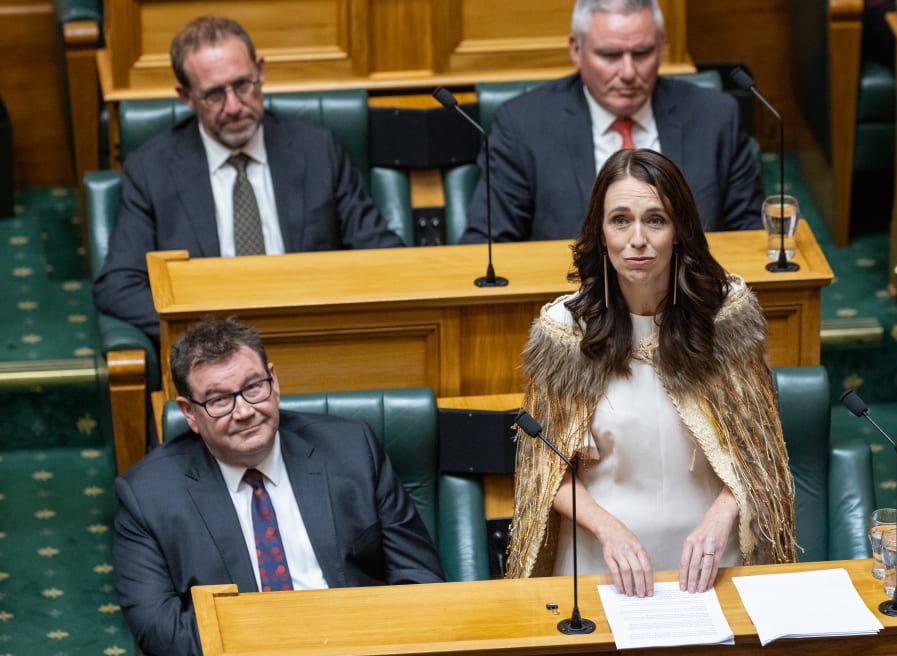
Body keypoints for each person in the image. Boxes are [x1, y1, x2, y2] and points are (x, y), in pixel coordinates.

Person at [506, 149, 796, 597]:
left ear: (679, 231)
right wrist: (608, 530)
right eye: (620, 220)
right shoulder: (565, 331)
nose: (636, 239)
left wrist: (722, 517)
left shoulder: (724, 317)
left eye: (655, 220)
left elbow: (761, 454)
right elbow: (545, 470)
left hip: (713, 562)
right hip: (601, 561)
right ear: (601, 234)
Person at [112, 316, 443, 656]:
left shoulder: (352, 449)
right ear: (190, 413)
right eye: (219, 401)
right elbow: (160, 633)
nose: (244, 411)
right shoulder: (147, 495)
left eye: (254, 387)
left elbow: (419, 578)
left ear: (274, 380)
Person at [93, 16, 403, 346]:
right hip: (212, 359)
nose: (234, 107)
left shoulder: (316, 150)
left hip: (313, 338)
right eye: (214, 95)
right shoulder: (151, 169)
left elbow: (384, 257)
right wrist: (211, 339)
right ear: (186, 96)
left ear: (261, 71)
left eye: (243, 85)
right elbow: (119, 285)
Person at [460, 0, 763, 244]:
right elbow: (487, 247)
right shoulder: (523, 125)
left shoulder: (715, 116)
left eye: (642, 52)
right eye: (610, 55)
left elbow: (754, 237)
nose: (629, 72)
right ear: (576, 51)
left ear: (661, 47)